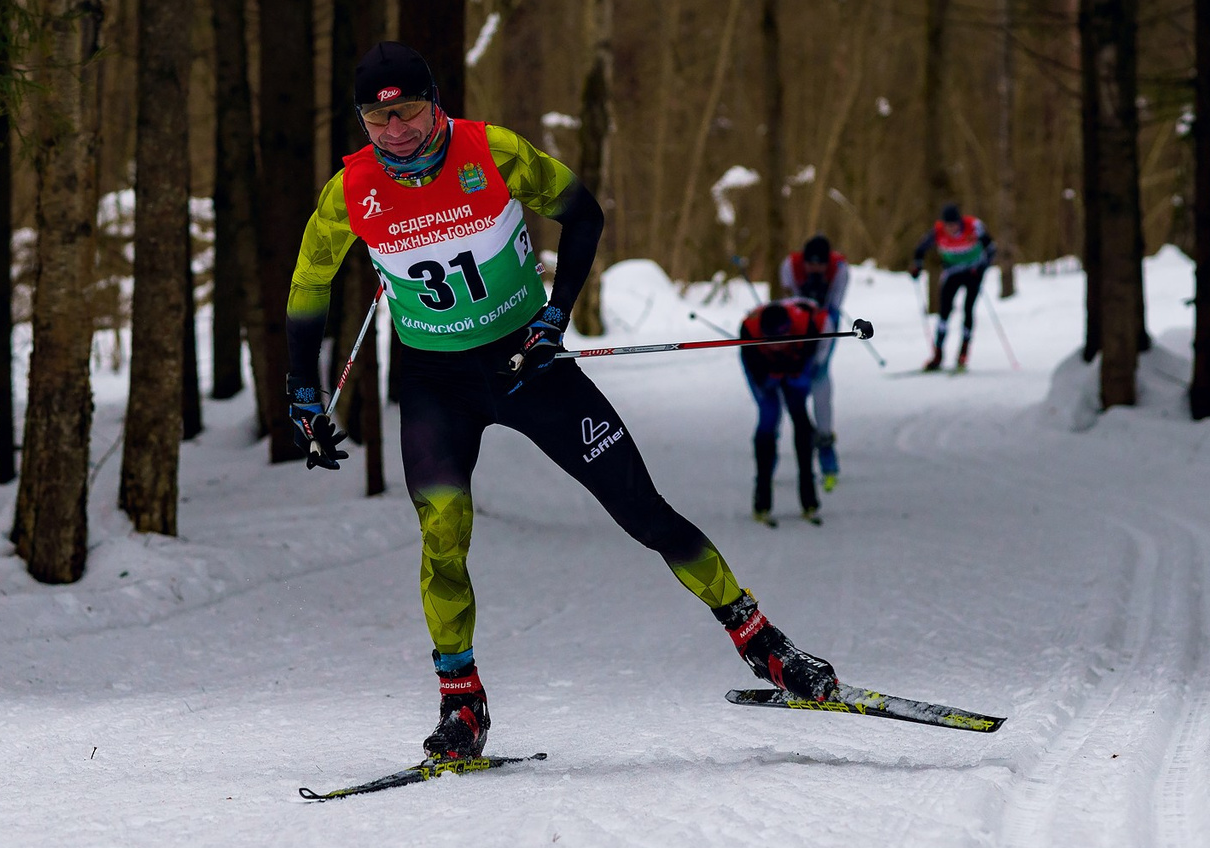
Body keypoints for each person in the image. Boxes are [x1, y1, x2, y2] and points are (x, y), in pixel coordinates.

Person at [285, 42, 839, 761]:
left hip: (526, 362)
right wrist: (304, 389)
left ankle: (762, 640)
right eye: (376, 117)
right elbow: (309, 283)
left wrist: (557, 314)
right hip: (434, 382)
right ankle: (462, 702)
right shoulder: (351, 189)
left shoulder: (493, 152)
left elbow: (583, 213)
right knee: (443, 533)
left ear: (435, 101)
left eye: (408, 110)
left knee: (643, 508)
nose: (395, 130)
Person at [738, 298, 829, 526]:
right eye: (771, 341)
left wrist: (791, 369)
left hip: (796, 367)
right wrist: (771, 374)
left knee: (800, 417)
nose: (777, 345)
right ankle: (762, 497)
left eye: (782, 339)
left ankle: (809, 496)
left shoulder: (807, 325)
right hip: (764, 370)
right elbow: (755, 371)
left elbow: (810, 359)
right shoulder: (749, 329)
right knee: (769, 417)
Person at [777, 233, 849, 489]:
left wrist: (816, 358)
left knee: (820, 384)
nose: (814, 268)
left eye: (820, 263)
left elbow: (834, 305)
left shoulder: (840, 269)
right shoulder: (790, 266)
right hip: (798, 320)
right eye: (810, 263)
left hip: (825, 321)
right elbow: (789, 298)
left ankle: (827, 449)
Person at [913, 201, 996, 372]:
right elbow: (920, 249)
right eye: (947, 225)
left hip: (973, 272)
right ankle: (938, 355)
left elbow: (991, 247)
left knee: (968, 309)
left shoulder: (974, 226)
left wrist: (982, 268)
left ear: (959, 221)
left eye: (954, 224)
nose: (951, 228)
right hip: (952, 272)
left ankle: (963, 354)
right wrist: (917, 266)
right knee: (944, 312)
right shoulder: (937, 231)